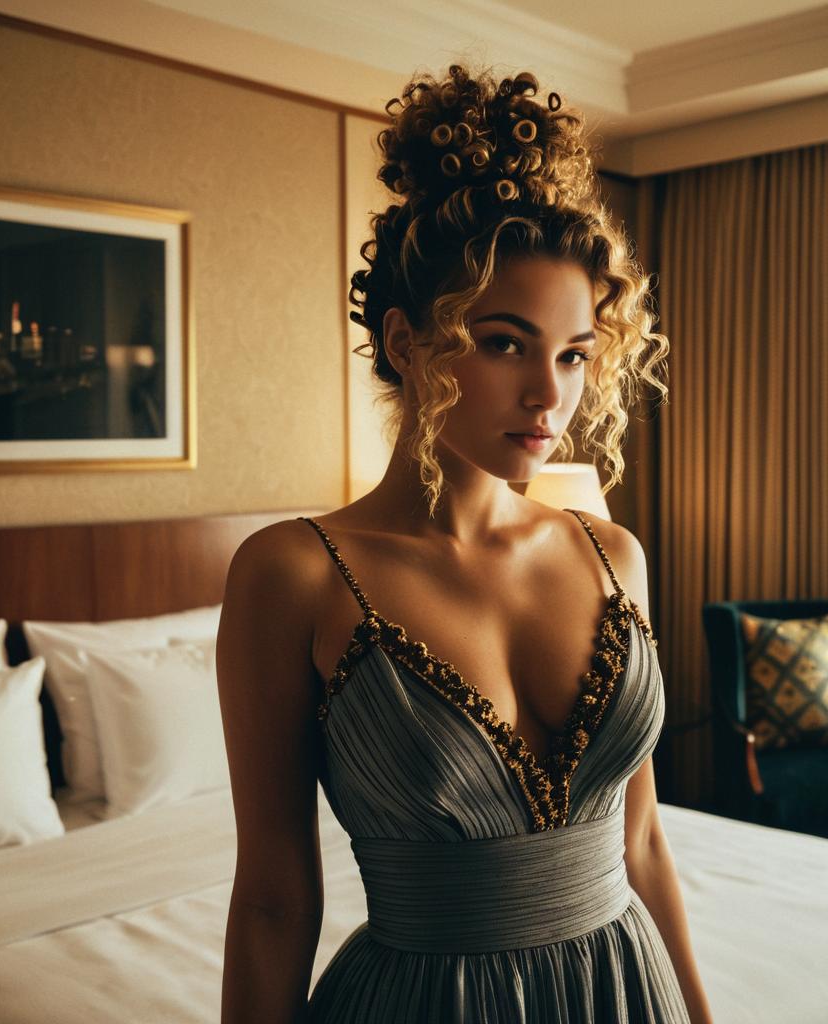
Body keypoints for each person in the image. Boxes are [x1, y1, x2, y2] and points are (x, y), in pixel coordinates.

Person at [216, 63, 715, 1024]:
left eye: (574, 353)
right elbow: (277, 900)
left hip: (625, 990)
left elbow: (643, 845)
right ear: (407, 341)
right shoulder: (295, 573)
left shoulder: (615, 554)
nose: (550, 395)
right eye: (503, 342)